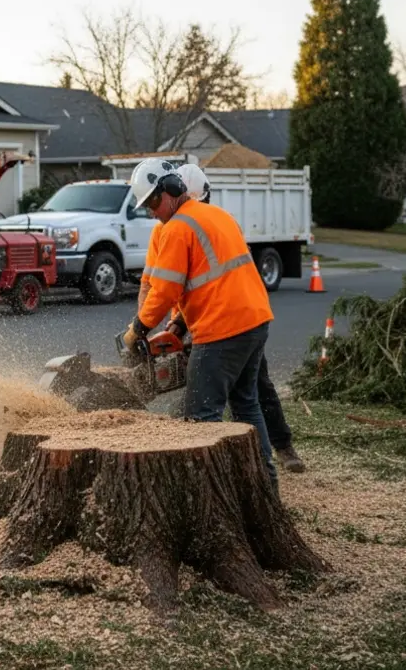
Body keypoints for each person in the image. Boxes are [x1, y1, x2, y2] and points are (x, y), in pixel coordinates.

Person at [122, 158, 279, 487]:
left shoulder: (178, 228)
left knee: (201, 417)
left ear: (172, 190)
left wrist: (136, 330)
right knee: (246, 404)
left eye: (153, 201)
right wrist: (178, 324)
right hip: (255, 321)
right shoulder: (217, 215)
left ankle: (207, 495)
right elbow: (211, 281)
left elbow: (163, 290)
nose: (151, 211)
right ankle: (264, 487)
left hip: (222, 331)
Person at [169, 164, 306, 473]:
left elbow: (211, 281)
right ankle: (269, 463)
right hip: (243, 319)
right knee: (251, 393)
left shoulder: (195, 224)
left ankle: (278, 448)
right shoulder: (216, 220)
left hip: (225, 322)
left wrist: (154, 324)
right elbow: (196, 280)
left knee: (233, 395)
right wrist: (179, 320)